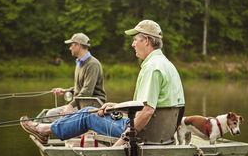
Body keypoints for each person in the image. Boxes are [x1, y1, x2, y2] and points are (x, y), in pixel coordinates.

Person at [20, 20, 185, 146]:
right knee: (92, 111)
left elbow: (147, 111)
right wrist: (116, 106)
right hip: (159, 133)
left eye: (135, 39)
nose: (132, 44)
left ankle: (44, 130)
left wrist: (122, 140)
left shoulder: (152, 68)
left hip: (142, 133)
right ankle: (46, 130)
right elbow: (148, 107)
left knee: (87, 114)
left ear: (147, 40)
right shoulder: (166, 64)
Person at [47, 33, 106, 121]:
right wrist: (65, 90)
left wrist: (71, 106)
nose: (70, 48)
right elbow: (80, 88)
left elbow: (87, 91)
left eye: (71, 45)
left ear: (78, 45)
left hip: (93, 105)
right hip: (81, 103)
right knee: (50, 114)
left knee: (52, 115)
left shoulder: (92, 64)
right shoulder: (79, 63)